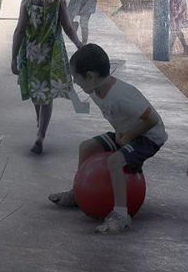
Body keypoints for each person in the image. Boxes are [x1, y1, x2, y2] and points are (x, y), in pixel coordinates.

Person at [51, 44, 167, 234]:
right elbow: (119, 117)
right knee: (86, 147)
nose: (75, 82)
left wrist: (128, 137)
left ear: (90, 76)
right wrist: (122, 134)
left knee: (115, 162)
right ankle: (77, 194)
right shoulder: (96, 90)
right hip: (127, 133)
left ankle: (121, 215)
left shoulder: (121, 95)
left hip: (149, 137)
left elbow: (152, 120)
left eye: (76, 77)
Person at [11, 0, 84, 154]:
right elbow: (68, 27)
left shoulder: (27, 2)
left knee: (38, 90)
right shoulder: (58, 1)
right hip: (53, 55)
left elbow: (19, 31)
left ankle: (39, 126)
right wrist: (78, 44)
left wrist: (13, 57)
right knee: (47, 95)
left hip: (32, 55)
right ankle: (41, 133)